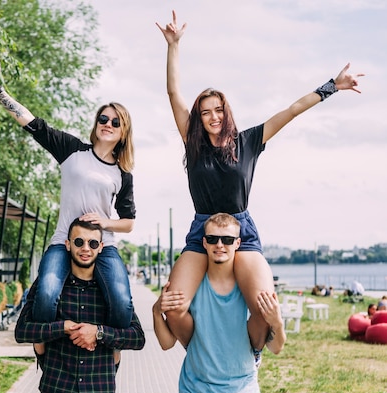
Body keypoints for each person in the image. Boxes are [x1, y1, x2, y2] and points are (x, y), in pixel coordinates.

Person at [156, 10, 364, 347]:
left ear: (227, 113)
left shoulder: (249, 141)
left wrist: (333, 87)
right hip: (202, 231)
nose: (212, 116)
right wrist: (173, 46)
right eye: (206, 111)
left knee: (264, 308)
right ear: (199, 116)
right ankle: (200, 352)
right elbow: (173, 93)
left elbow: (293, 109)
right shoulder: (192, 142)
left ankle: (252, 353)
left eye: (218, 110)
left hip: (242, 231)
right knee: (175, 305)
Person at [0, 57, 136, 331]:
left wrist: (105, 223)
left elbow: (128, 222)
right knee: (45, 294)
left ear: (123, 131)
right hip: (63, 240)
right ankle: (42, 347)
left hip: (102, 245)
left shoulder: (123, 173)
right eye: (103, 118)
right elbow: (32, 123)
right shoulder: (72, 151)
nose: (108, 124)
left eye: (115, 122)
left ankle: (112, 353)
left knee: (122, 301)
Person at [151, 213, 286, 393]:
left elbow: (276, 348)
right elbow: (165, 343)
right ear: (204, 242)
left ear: (239, 243)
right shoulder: (191, 286)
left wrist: (277, 321)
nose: (219, 245)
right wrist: (155, 310)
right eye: (212, 239)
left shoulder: (250, 289)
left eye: (227, 240)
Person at [15, 218, 145, 393]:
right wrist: (61, 327)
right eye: (79, 242)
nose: (85, 248)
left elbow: (138, 337)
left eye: (92, 243)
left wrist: (98, 333)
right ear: (67, 244)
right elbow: (22, 330)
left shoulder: (112, 289)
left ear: (100, 248)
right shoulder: (50, 285)